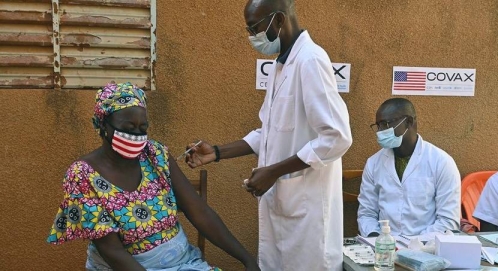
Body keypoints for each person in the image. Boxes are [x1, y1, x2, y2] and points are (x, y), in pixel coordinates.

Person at [185, 0, 352, 270]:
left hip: (307, 215)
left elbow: (337, 137)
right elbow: (268, 132)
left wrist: (273, 171)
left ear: (278, 20)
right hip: (283, 209)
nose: (252, 37)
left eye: (255, 28)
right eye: (248, 30)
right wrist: (216, 152)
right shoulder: (279, 66)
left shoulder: (310, 60)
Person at [47, 82, 259, 271]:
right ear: (103, 125)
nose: (136, 136)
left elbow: (199, 211)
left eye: (143, 128)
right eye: (128, 128)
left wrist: (246, 259)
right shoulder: (82, 175)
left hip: (183, 262)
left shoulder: (155, 154)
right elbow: (112, 252)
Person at [357, 98, 461, 237]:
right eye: (378, 126)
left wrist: (415, 245)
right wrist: (378, 239)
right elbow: (366, 213)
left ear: (409, 122)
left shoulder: (441, 162)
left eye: (386, 124)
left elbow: (448, 221)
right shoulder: (373, 163)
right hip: (383, 246)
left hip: (427, 247)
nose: (380, 131)